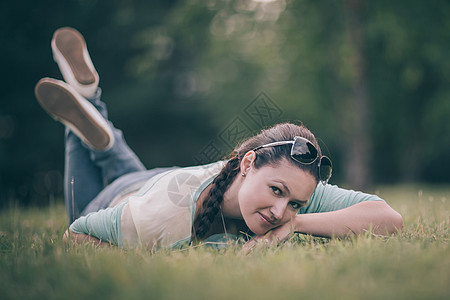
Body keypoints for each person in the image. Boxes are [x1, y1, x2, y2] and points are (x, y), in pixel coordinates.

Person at [35, 27, 403, 250]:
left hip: (156, 179)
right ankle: (90, 104)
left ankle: (93, 108)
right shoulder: (159, 218)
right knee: (82, 204)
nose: (280, 212)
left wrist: (297, 223)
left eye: (295, 204)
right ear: (247, 163)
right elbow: (75, 238)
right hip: (123, 200)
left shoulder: (291, 185)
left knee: (115, 156)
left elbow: (389, 220)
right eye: (276, 192)